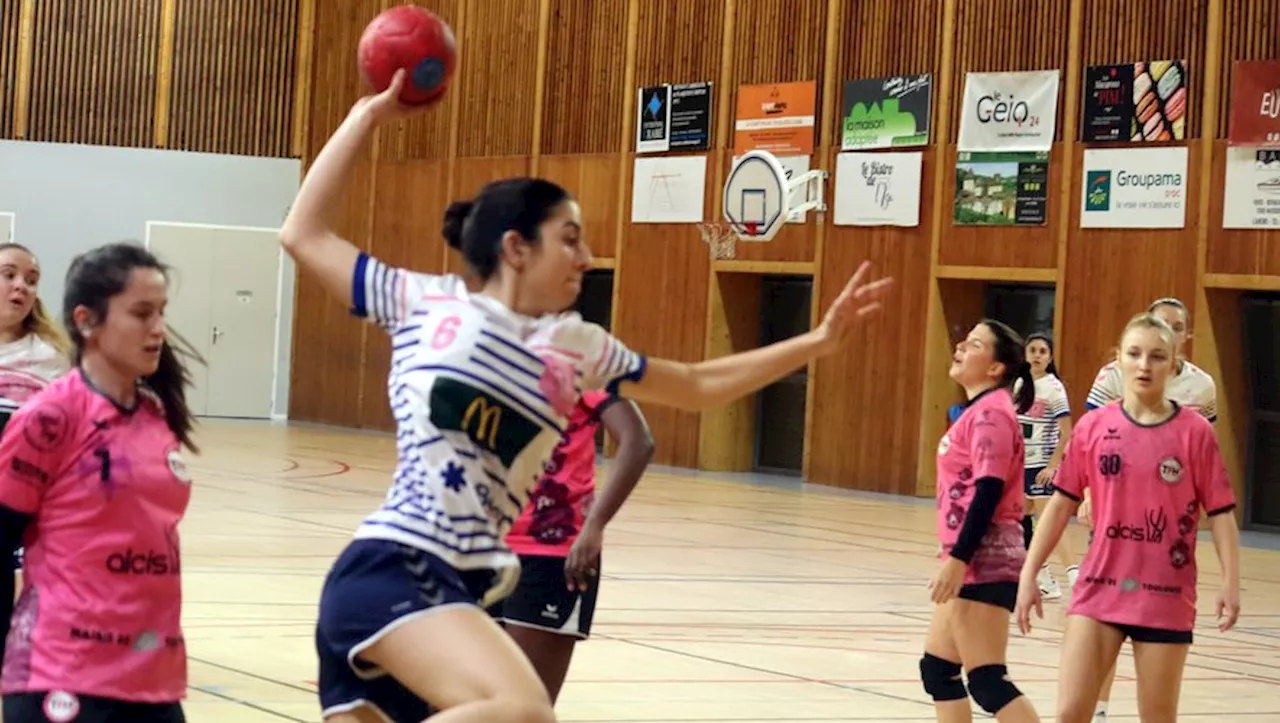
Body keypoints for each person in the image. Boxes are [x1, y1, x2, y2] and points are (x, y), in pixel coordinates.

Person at [280, 70, 893, 723]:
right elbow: (303, 234)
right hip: (399, 565)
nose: (587, 256)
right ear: (516, 247)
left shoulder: (578, 345)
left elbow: (696, 383)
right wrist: (366, 118)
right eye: (570, 238)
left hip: (468, 588)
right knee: (522, 710)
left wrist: (819, 342)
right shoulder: (421, 301)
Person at [0, 243, 201, 722]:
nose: (158, 329)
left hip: (152, 676)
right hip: (61, 674)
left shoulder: (157, 416)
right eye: (141, 313)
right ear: (88, 321)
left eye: (161, 313)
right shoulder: (50, 416)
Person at [1015, 312, 1240, 723]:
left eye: (1157, 356)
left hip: (1165, 596)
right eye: (1134, 353)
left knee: (1157, 716)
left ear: (1173, 365)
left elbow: (1222, 512)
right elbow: (1060, 505)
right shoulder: (1094, 427)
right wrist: (1029, 573)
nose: (1144, 364)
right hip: (1098, 589)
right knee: (1069, 712)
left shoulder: (1195, 433)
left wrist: (1230, 580)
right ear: (1117, 359)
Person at [1080, 297, 1217, 721]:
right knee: (1107, 614)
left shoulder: (1202, 387)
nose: (1167, 329)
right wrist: (1088, 492)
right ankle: (1098, 708)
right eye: (1160, 322)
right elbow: (1090, 440)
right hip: (1116, 516)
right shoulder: (1115, 375)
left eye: (1176, 326)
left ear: (1185, 337)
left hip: (1167, 528)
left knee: (1153, 627)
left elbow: (1204, 458)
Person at [489, 390, 653, 703]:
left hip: (553, 554)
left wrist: (595, 526)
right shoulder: (488, 356)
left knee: (522, 706)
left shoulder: (582, 361)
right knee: (461, 699)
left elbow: (638, 440)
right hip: (482, 548)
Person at [922, 319, 1041, 723]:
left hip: (982, 560)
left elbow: (988, 492)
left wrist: (958, 559)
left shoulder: (992, 415)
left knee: (989, 681)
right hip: (974, 558)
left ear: (995, 368)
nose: (960, 347)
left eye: (973, 344)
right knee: (938, 671)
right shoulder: (979, 411)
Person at [0, 243, 72, 663]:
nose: (20, 287)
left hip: (23, 490)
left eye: (30, 279)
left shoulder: (51, 358)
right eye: (9, 274)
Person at [1014, 332, 1075, 599]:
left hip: (1041, 467)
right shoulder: (1019, 385)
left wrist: (1052, 466)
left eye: (1042, 351)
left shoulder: (1053, 388)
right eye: (1033, 350)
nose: (1037, 355)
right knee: (1021, 521)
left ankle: (1075, 575)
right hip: (1021, 466)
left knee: (1048, 522)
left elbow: (1067, 432)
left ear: (1050, 358)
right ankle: (1046, 579)